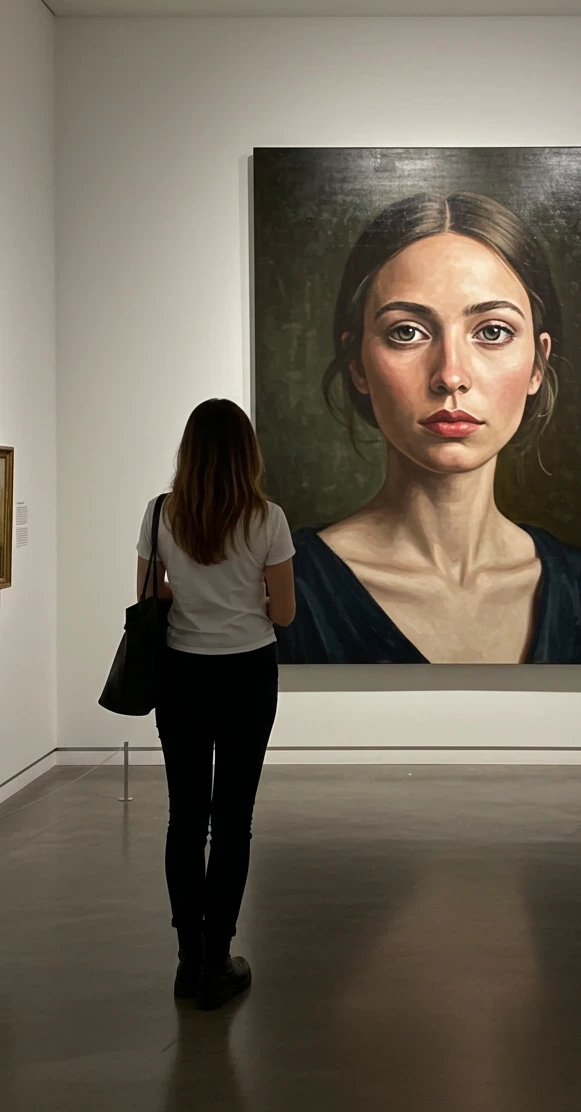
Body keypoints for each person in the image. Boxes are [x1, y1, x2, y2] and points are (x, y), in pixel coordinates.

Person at [276, 191, 581, 666]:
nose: (451, 375)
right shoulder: (283, 591)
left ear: (539, 363)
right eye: (407, 332)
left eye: (492, 332)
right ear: (357, 364)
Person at [136, 399, 296, 1010]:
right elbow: (281, 612)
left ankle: (185, 961)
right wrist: (239, 593)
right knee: (233, 821)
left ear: (189, 451)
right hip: (246, 676)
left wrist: (196, 590)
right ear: (245, 454)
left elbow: (150, 595)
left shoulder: (160, 514)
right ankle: (215, 960)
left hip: (179, 673)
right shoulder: (268, 519)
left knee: (185, 817)